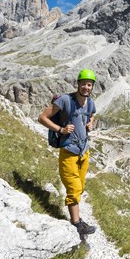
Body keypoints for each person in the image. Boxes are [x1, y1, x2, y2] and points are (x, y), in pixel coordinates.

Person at [38, 69, 98, 236]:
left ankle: (77, 220)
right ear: (77, 84)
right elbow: (42, 117)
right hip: (68, 152)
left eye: (89, 84)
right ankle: (77, 225)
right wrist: (61, 129)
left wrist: (90, 123)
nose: (86, 87)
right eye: (84, 84)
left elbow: (92, 115)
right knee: (74, 188)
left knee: (80, 187)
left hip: (84, 152)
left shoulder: (90, 102)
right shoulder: (65, 100)